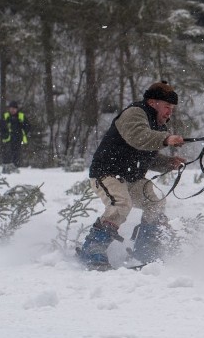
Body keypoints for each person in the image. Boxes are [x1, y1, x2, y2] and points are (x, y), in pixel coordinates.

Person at [77, 81, 187, 270]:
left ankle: (145, 250)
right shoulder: (135, 113)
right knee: (121, 204)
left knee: (156, 203)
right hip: (107, 174)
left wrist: (168, 163)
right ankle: (92, 248)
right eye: (167, 107)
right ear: (153, 103)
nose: (170, 112)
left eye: (172, 108)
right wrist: (166, 139)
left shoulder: (158, 126)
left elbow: (146, 156)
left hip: (131, 177)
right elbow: (138, 137)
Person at [0, 101, 30, 167]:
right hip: (7, 139)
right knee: (7, 155)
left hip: (18, 139)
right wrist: (4, 129)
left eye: (14, 108)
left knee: (16, 155)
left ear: (17, 109)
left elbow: (28, 126)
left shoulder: (21, 116)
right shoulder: (5, 116)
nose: (12, 110)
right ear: (9, 109)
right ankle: (6, 167)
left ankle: (16, 168)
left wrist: (23, 129)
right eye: (11, 108)